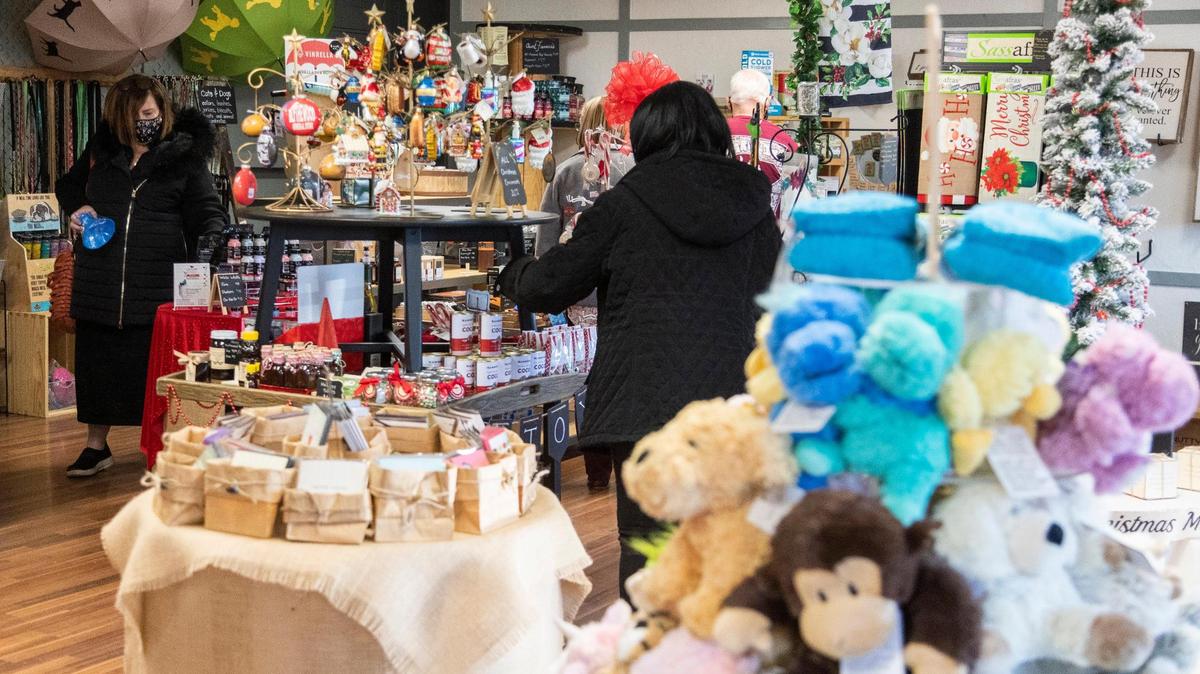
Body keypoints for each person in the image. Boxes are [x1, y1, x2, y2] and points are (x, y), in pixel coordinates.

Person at [499, 81, 780, 592]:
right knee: (725, 544)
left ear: (647, 136)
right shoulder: (756, 206)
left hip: (643, 402)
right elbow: (770, 297)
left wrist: (511, 270)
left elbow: (552, 285)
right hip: (732, 407)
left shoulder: (624, 204)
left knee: (648, 547)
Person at [56, 74, 226, 477]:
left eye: (148, 113)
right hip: (99, 278)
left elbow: (210, 216)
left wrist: (205, 260)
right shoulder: (102, 151)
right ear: (117, 119)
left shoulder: (184, 159)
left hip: (156, 283)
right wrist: (79, 208)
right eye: (132, 116)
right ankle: (96, 447)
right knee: (98, 367)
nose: (141, 122)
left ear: (162, 110)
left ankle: (166, 445)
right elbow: (69, 187)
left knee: (152, 369)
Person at [536, 95, 633, 493]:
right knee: (621, 383)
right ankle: (625, 468)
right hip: (623, 296)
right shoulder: (635, 170)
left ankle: (593, 472)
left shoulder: (566, 171)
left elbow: (545, 240)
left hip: (576, 297)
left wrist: (546, 289)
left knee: (580, 382)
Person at [727, 68, 798, 187]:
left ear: (728, 101)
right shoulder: (784, 140)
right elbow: (796, 191)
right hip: (767, 205)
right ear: (768, 102)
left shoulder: (710, 132)